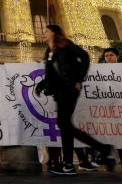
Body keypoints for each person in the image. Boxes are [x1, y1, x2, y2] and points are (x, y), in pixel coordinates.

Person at [35, 25, 115, 176]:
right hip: (58, 91)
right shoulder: (49, 50)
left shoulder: (66, 44)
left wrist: (79, 79)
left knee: (63, 124)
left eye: (46, 30)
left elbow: (84, 56)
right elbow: (51, 73)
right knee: (65, 127)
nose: (43, 32)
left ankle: (102, 149)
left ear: (54, 32)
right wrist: (41, 85)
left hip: (69, 88)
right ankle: (69, 164)